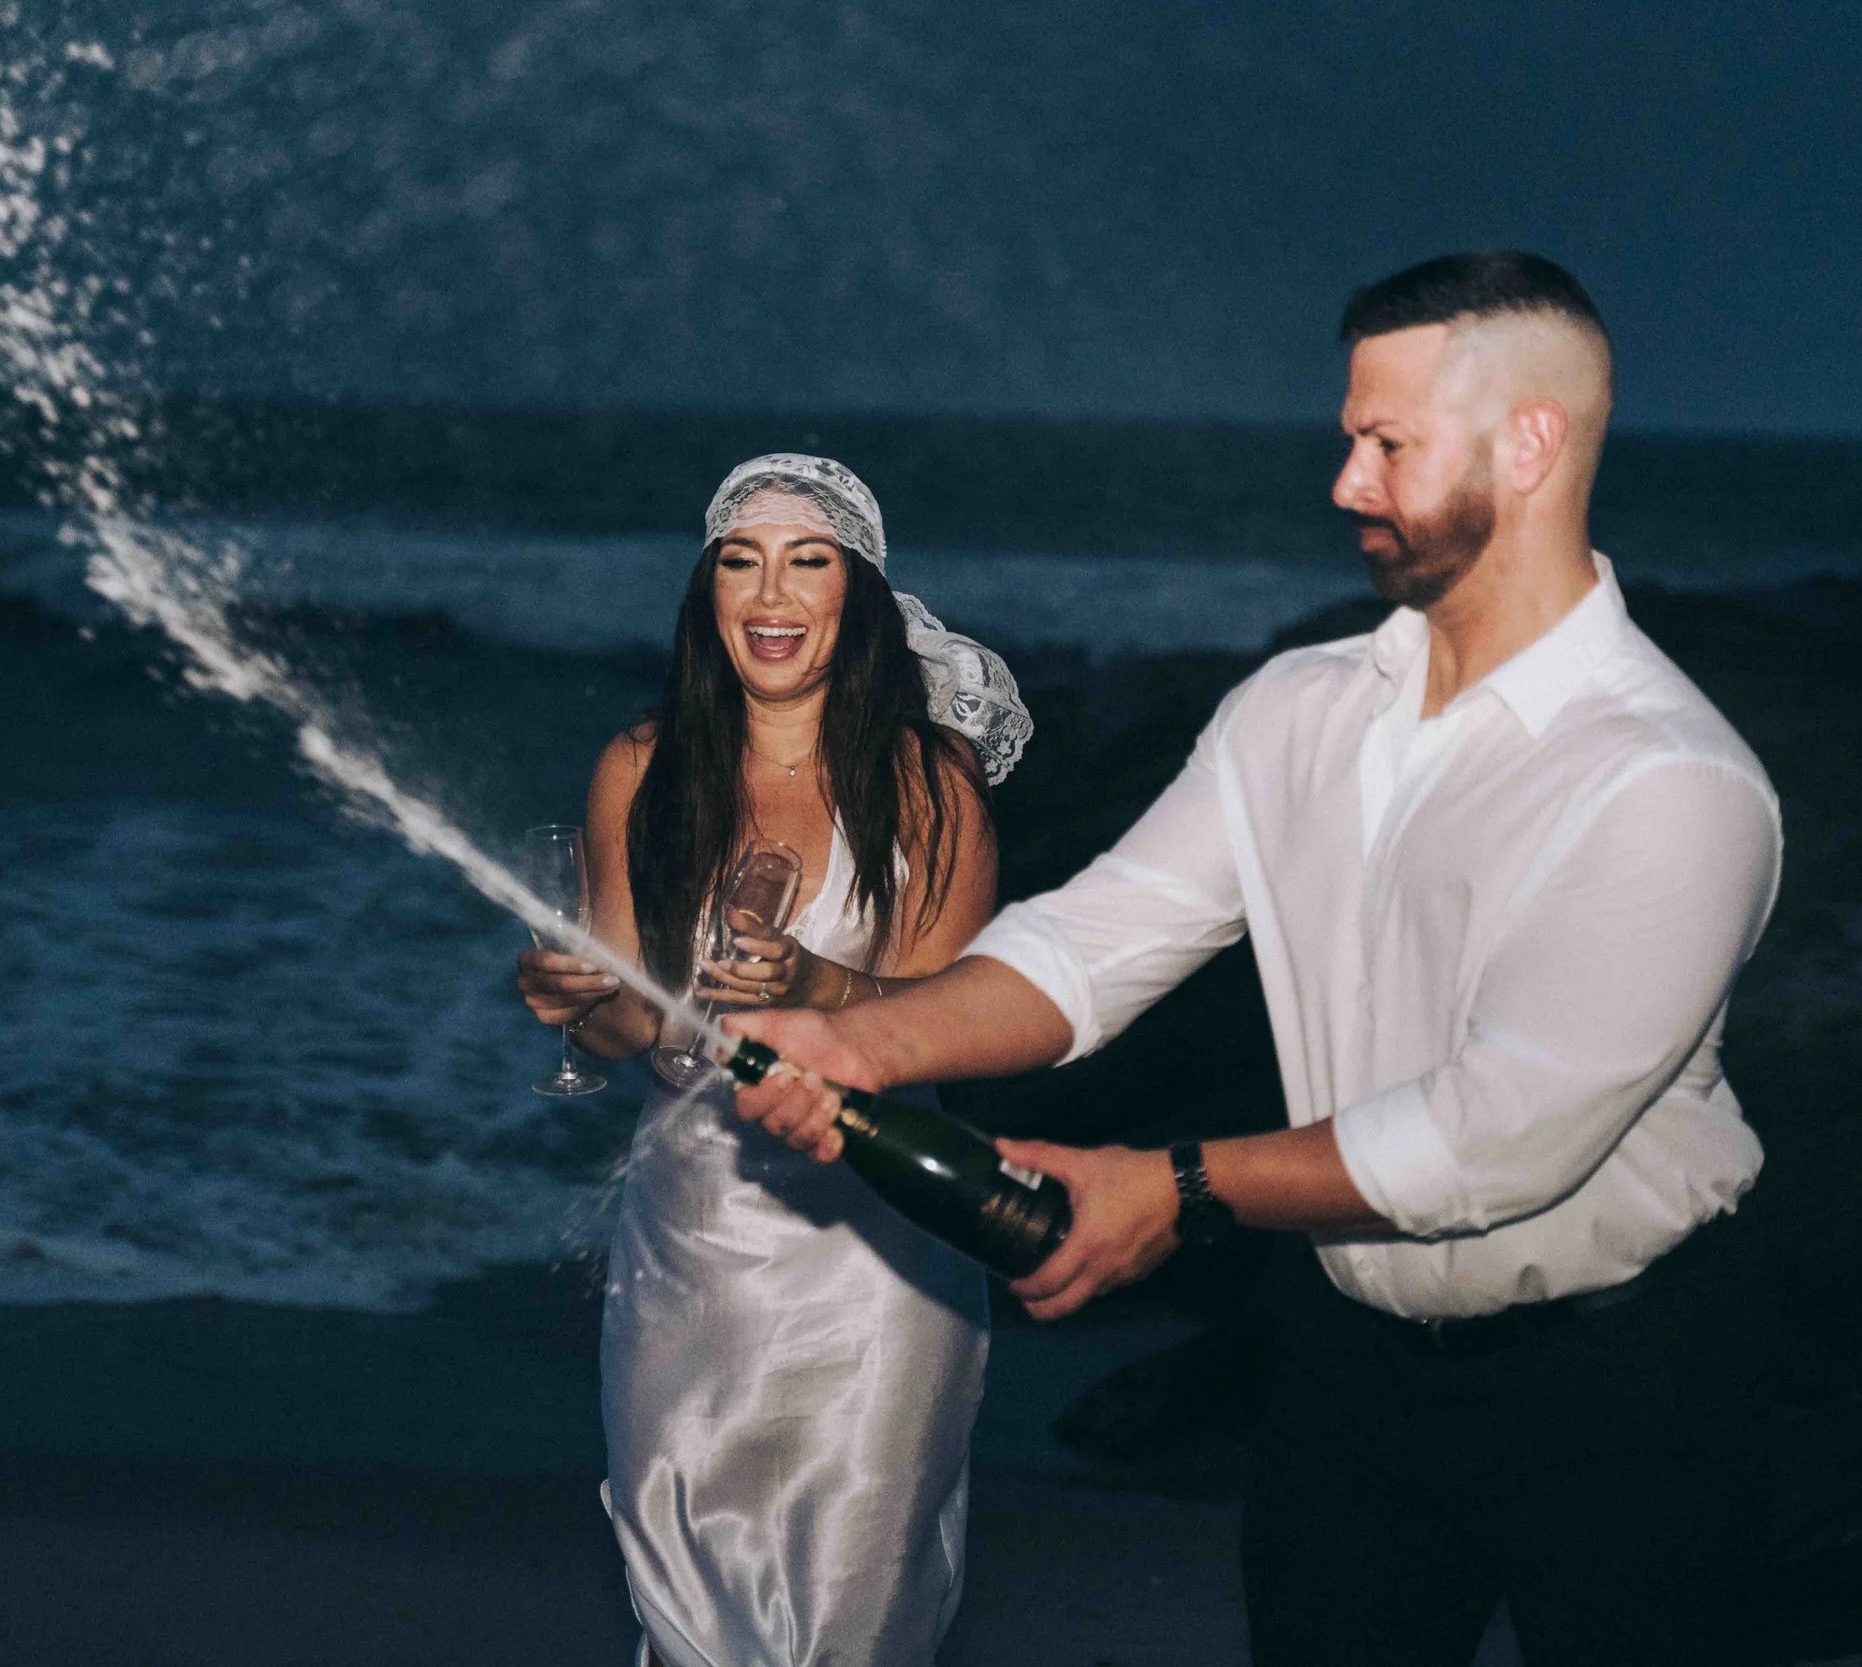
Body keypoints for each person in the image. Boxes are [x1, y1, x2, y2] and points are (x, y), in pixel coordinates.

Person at [729, 255, 1785, 1667]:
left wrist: (1172, 1188)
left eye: (1387, 443)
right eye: (1351, 436)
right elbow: (1094, 937)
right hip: (1347, 1370)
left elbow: (1494, 1137)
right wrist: (873, 1040)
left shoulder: (1671, 778)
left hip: (1625, 1385)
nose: (1348, 482)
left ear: (1530, 442)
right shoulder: (1298, 708)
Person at [514, 454, 1032, 1667]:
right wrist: (572, 1002)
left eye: (808, 560)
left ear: (858, 592)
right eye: (739, 560)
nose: (770, 592)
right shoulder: (640, 767)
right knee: (685, 1587)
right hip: (689, 1238)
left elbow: (956, 1017)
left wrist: (819, 989)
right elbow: (635, 1024)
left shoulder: (928, 785)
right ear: (706, 593)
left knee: (856, 1603)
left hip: (878, 1249)